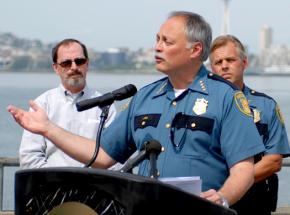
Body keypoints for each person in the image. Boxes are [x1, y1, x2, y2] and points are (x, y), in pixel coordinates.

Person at [8, 11, 265, 207]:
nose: (158, 47)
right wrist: (49, 129)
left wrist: (222, 198)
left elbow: (243, 169)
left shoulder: (226, 98)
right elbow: (101, 156)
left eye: (167, 41)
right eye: (157, 39)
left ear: (195, 50)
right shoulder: (144, 97)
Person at [209, 34, 290, 214]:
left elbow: (274, 161)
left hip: (253, 202)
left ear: (244, 63)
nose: (224, 66)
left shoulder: (266, 106)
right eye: (218, 62)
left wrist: (234, 183)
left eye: (230, 60)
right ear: (211, 68)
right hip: (209, 200)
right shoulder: (199, 106)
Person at [19, 38, 117, 168]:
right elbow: (29, 157)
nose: (74, 67)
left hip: (94, 185)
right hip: (52, 185)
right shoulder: (42, 105)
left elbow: (115, 155)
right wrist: (57, 181)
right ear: (56, 68)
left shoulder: (106, 105)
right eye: (66, 63)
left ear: (87, 64)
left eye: (79, 61)